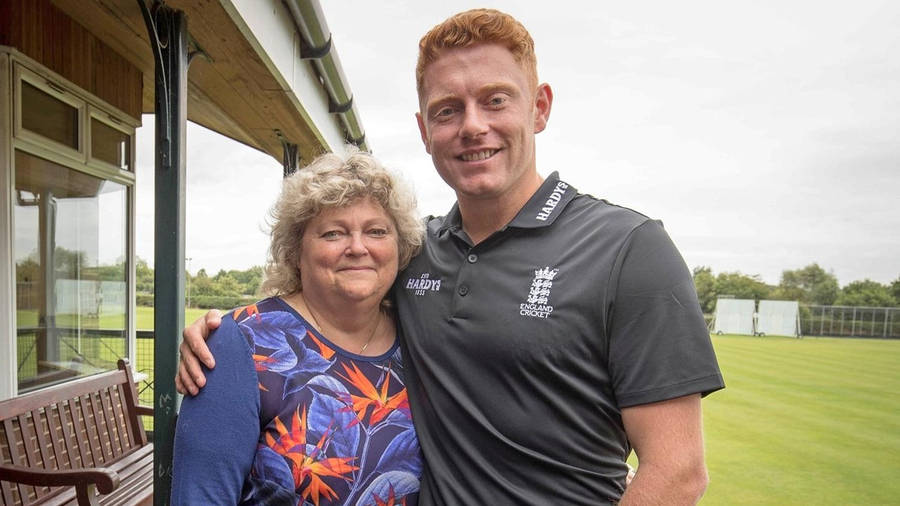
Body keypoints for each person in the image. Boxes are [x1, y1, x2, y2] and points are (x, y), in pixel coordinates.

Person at [178, 9, 724, 505]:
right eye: (447, 109)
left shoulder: (630, 248)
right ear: (423, 130)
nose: (472, 126)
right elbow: (326, 305)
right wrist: (223, 334)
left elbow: (677, 473)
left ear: (539, 107)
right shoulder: (416, 254)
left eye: (496, 99)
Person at [170, 148, 424, 505]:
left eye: (377, 231)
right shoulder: (242, 344)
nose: (357, 247)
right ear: (295, 251)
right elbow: (200, 496)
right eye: (333, 233)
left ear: (401, 247)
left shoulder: (420, 339)